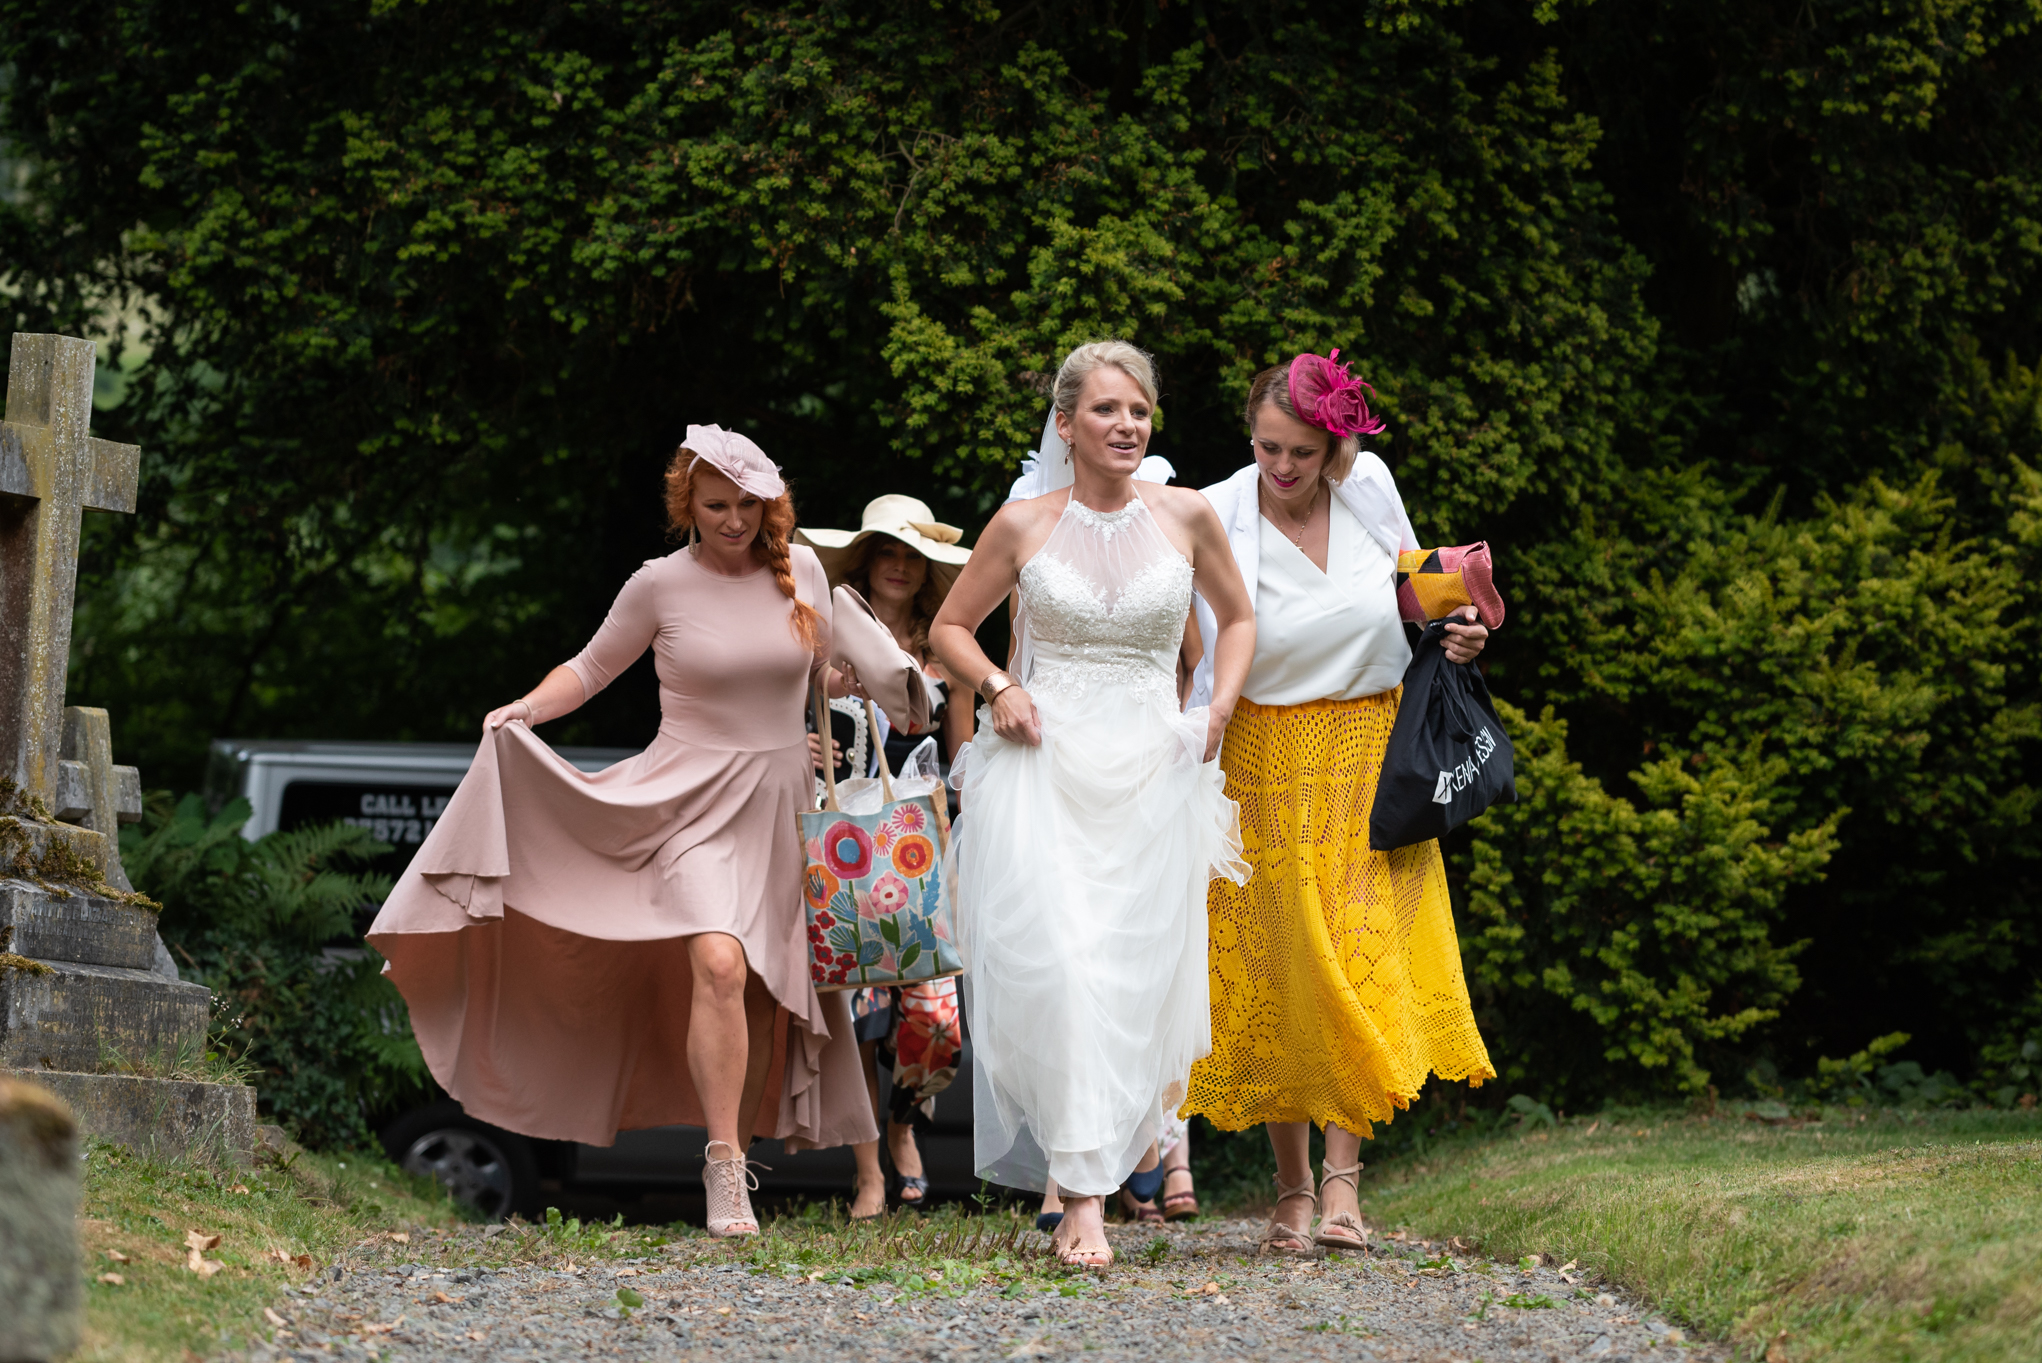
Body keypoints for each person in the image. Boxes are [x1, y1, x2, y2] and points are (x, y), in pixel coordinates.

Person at [367, 426, 879, 1240]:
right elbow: (591, 667)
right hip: (683, 801)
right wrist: (526, 708)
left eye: (749, 504)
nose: (735, 519)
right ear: (687, 502)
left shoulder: (804, 570)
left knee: (758, 993)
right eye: (717, 504)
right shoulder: (659, 584)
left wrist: (841, 684)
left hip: (781, 805)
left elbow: (816, 673)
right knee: (718, 959)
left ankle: (737, 1157)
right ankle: (720, 1172)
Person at [929, 340, 1257, 1269]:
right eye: (1107, 410)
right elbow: (951, 625)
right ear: (1065, 424)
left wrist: (1217, 706)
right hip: (1045, 766)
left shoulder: (1187, 516)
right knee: (1066, 969)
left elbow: (1238, 620)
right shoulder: (1024, 524)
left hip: (1155, 770)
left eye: (1140, 412)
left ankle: (1116, 1159)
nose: (1126, 426)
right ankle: (1082, 1201)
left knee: (1128, 977)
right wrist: (999, 685)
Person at [1182, 351, 1497, 1257]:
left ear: (1338, 450)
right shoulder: (1215, 511)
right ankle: (1287, 1186)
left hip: (1370, 750)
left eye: (1304, 453)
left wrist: (1461, 629)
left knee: (1356, 954)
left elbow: (1416, 596)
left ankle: (1343, 1185)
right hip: (1260, 757)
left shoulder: (1372, 490)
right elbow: (1185, 641)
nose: (1283, 468)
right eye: (1269, 448)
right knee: (1284, 964)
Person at [797, 496, 976, 1216]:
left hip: (920, 850)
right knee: (851, 1011)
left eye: (912, 555)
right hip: (844, 846)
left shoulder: (947, 651)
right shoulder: (825, 643)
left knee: (934, 1021)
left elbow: (963, 764)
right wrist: (800, 741)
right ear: (867, 562)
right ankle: (870, 1167)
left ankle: (904, 1121)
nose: (900, 565)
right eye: (887, 552)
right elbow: (784, 718)